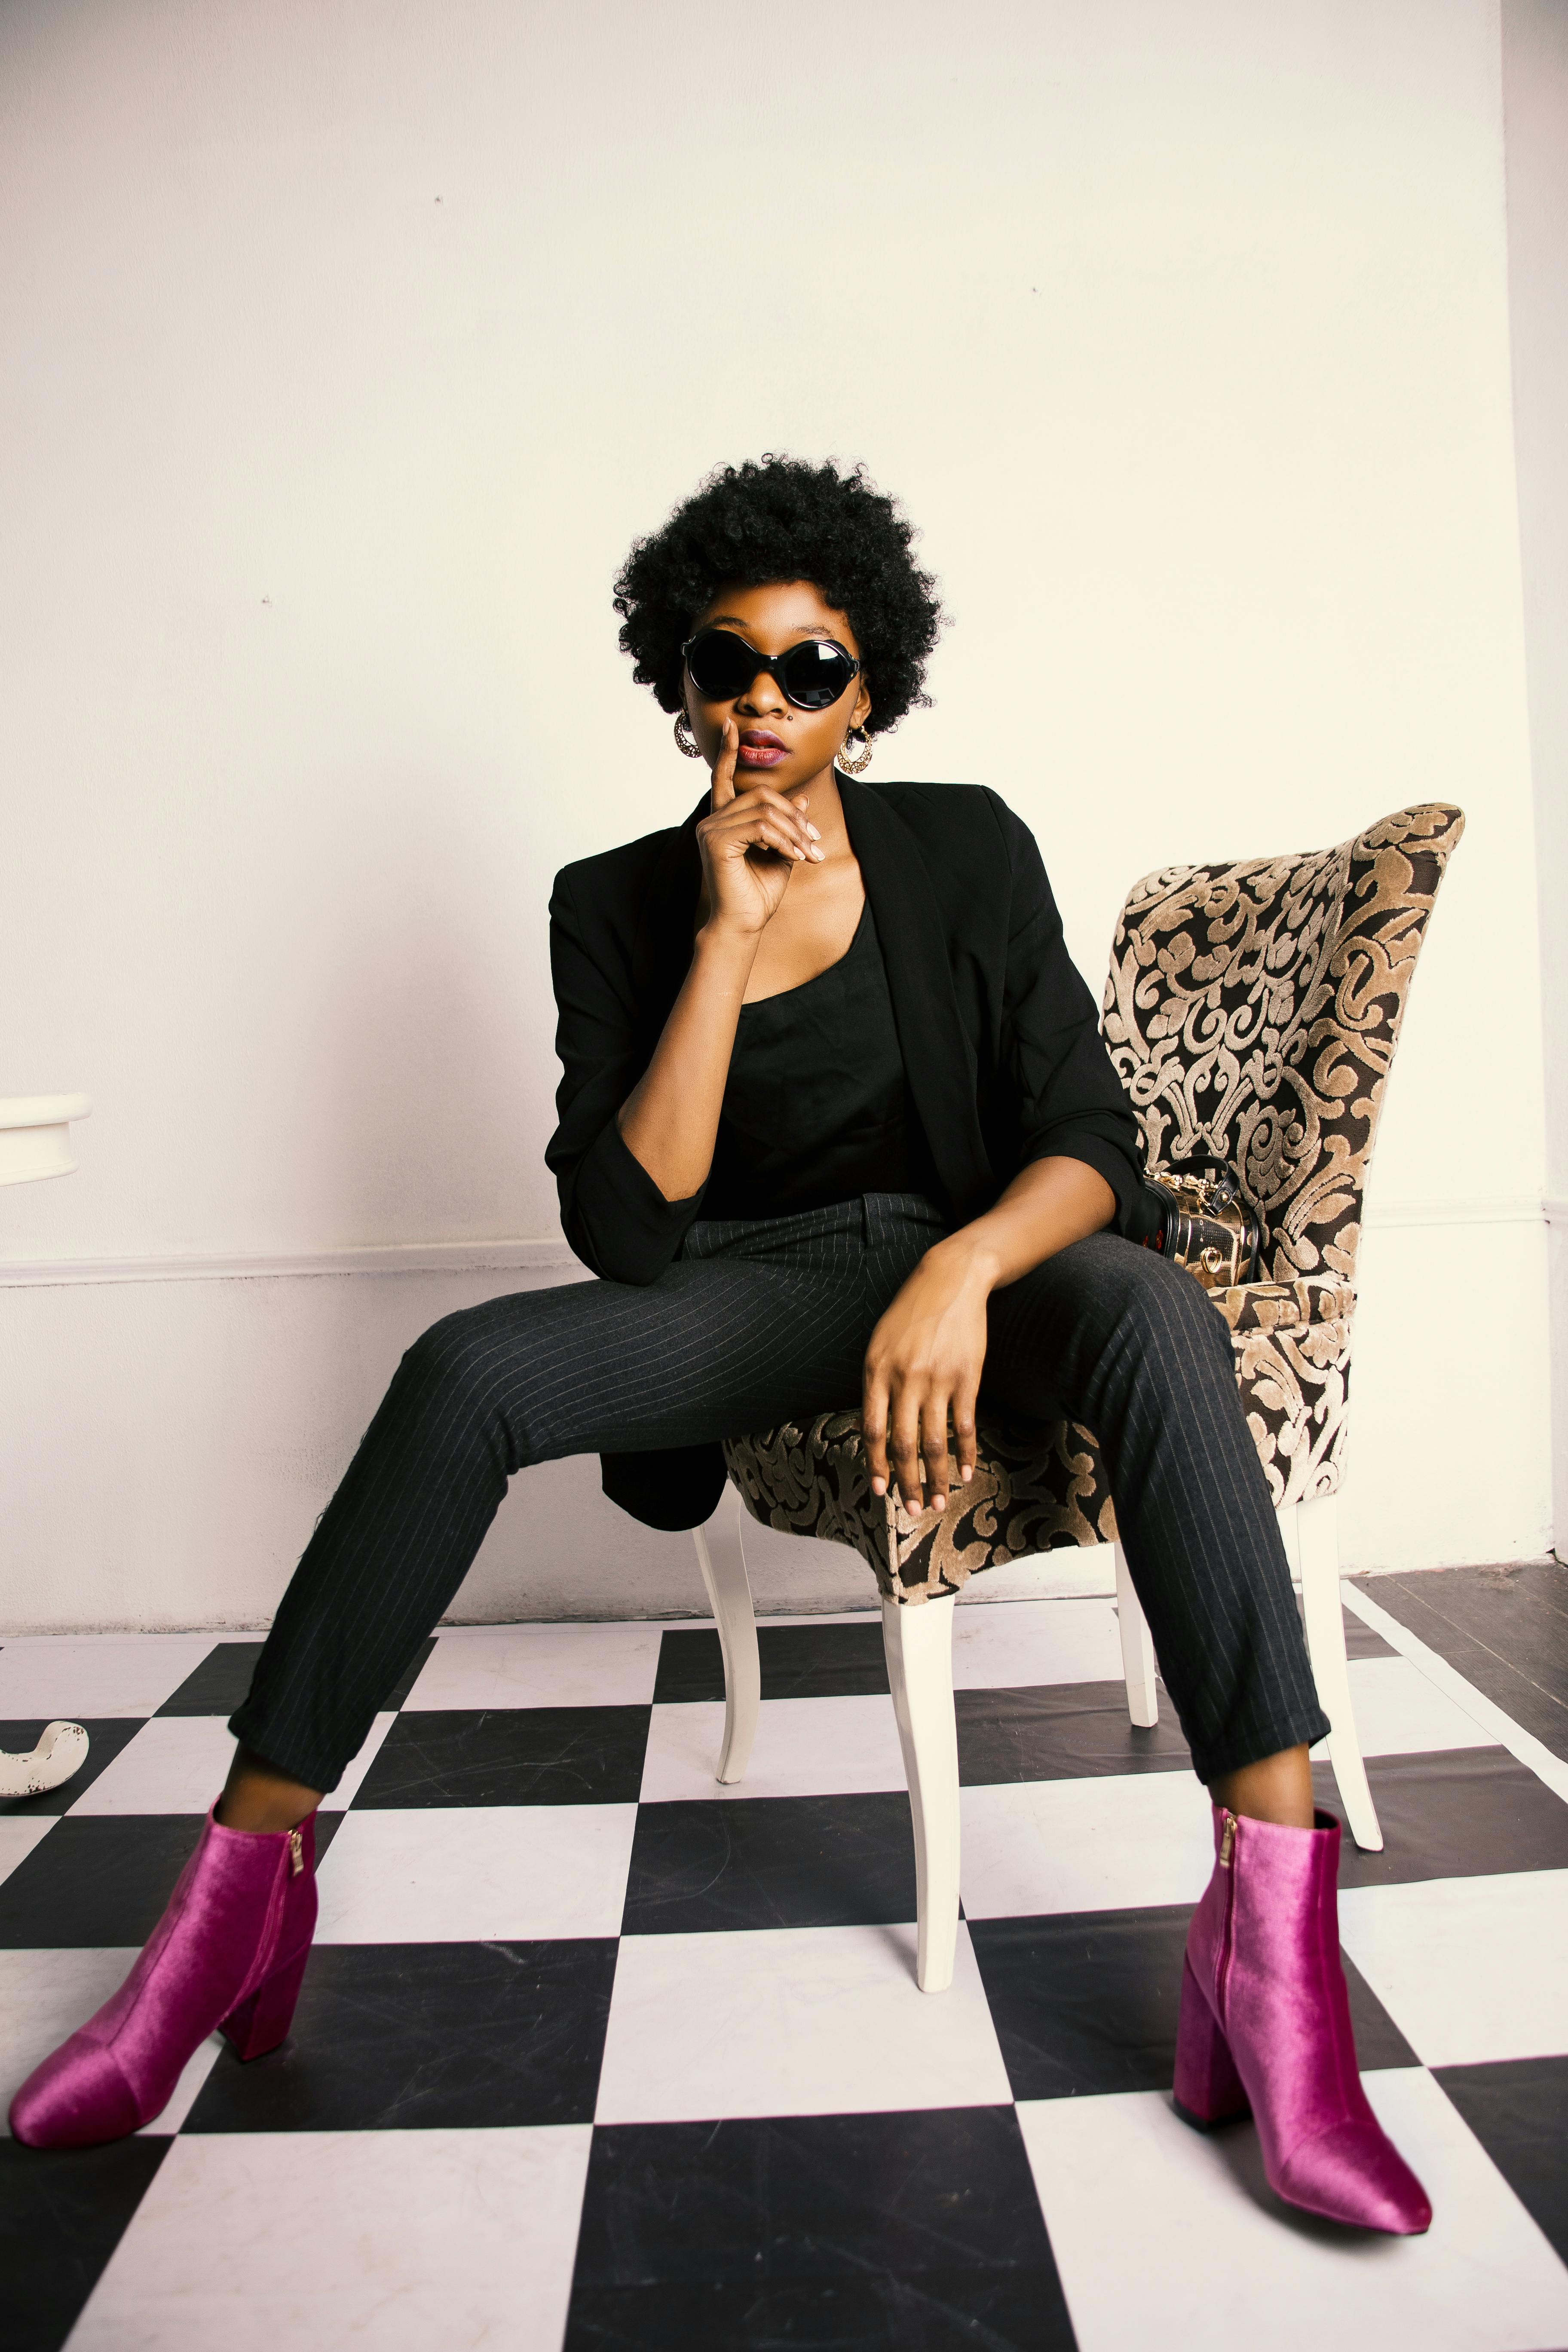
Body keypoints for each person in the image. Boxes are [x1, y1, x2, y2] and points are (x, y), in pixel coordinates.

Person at [11, 456, 1429, 2235]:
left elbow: (1092, 1142)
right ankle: (227, 1913)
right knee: (466, 1373)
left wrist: (962, 1267)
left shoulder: (970, 843)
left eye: (811, 664)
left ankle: (1277, 1976)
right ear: (677, 684)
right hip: (749, 1288)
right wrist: (727, 930)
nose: (767, 697)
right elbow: (626, 1230)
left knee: (1152, 1306)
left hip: (984, 1267)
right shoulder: (611, 900)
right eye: (726, 661)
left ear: (872, 682)